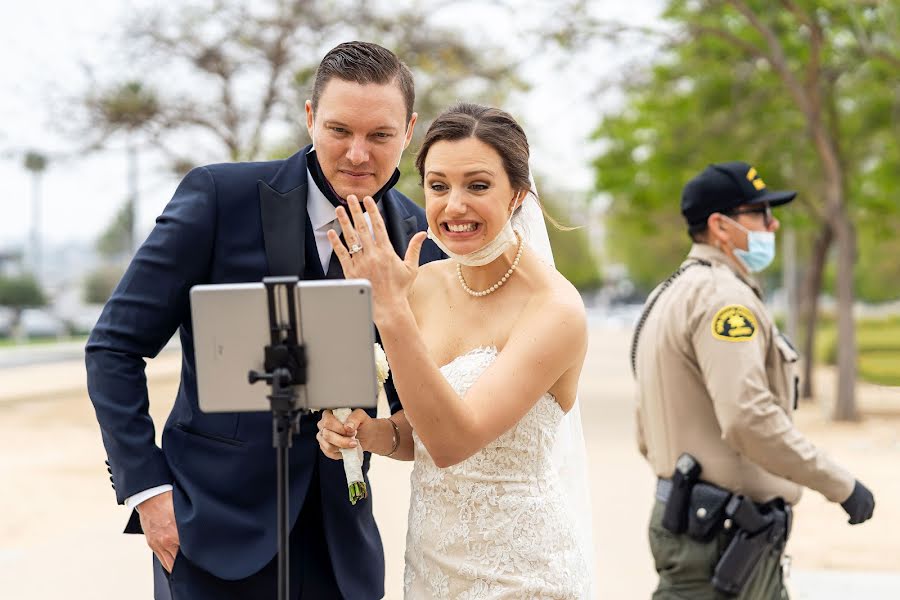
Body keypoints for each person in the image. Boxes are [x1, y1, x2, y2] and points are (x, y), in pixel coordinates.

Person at [85, 41, 443, 599]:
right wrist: (148, 492)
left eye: (380, 136)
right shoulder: (217, 197)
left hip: (340, 550)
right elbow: (112, 348)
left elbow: (421, 405)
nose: (357, 154)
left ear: (410, 129)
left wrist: (375, 428)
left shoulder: (420, 239)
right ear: (309, 117)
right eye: (338, 130)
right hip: (208, 534)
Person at [316, 103, 593, 599]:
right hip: (432, 565)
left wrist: (389, 313)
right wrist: (369, 432)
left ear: (518, 196)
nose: (454, 206)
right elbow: (419, 434)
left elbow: (452, 443)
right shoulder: (423, 283)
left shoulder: (556, 309)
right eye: (439, 187)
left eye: (478, 186)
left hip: (522, 574)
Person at [632, 161, 875, 599]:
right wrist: (841, 485)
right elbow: (748, 417)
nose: (772, 223)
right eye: (759, 213)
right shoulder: (724, 300)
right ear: (720, 226)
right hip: (721, 537)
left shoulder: (666, 294)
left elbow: (645, 429)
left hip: (692, 522)